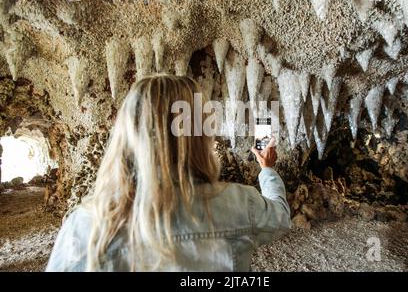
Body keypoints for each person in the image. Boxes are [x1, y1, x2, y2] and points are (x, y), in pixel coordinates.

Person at [46, 75, 291, 271]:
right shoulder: (238, 203)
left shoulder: (84, 226)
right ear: (200, 136)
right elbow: (280, 216)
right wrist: (267, 169)